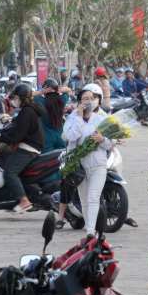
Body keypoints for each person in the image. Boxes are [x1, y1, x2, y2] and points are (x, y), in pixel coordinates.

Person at [62, 84, 113, 236]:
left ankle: (91, 230)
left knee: (93, 197)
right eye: (85, 99)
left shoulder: (102, 119)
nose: (89, 101)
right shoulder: (71, 118)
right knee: (84, 199)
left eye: (91, 98)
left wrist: (101, 139)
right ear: (79, 101)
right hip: (79, 166)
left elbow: (110, 143)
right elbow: (71, 137)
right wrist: (78, 117)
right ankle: (89, 227)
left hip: (98, 164)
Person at [0, 83, 45, 214]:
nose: (14, 100)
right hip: (31, 145)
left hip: (29, 148)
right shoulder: (28, 109)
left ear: (22, 98)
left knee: (9, 172)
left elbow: (18, 135)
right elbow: (18, 126)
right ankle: (14, 197)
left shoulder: (27, 111)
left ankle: (24, 201)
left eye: (16, 98)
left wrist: (1, 137)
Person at [36, 78, 69, 152]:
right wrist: (58, 90)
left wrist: (42, 91)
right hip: (60, 136)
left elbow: (28, 95)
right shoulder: (62, 99)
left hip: (46, 138)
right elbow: (68, 90)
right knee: (62, 160)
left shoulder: (39, 101)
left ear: (45, 89)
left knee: (46, 162)